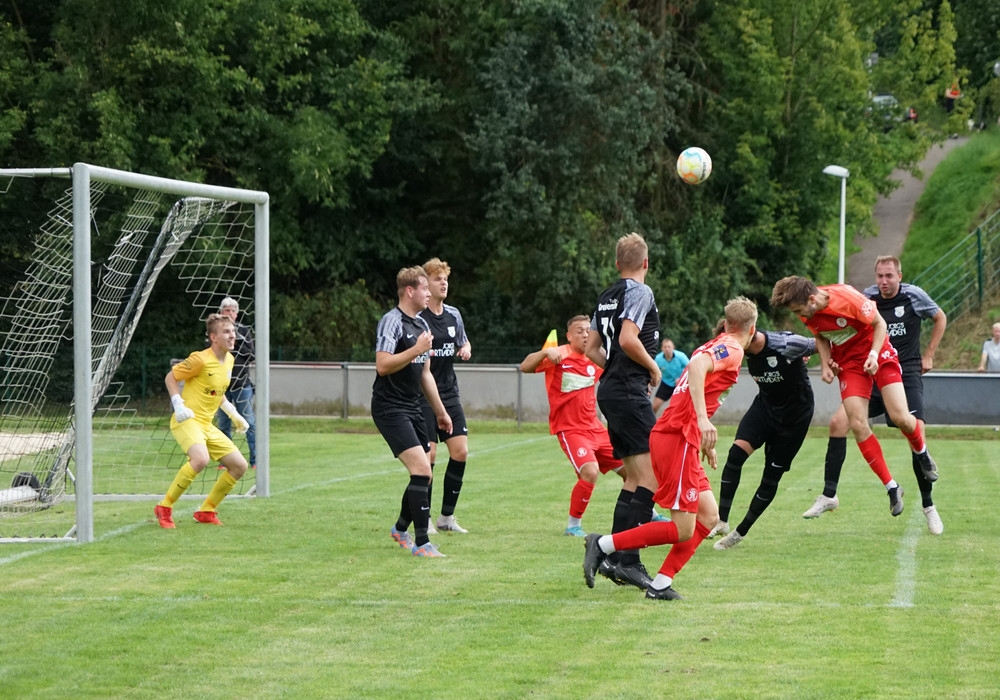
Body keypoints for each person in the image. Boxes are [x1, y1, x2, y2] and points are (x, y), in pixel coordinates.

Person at [582, 297, 758, 600]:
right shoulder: (731, 347)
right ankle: (603, 545)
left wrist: (701, 433)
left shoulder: (716, 343)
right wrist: (701, 420)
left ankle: (660, 584)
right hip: (677, 437)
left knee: (709, 516)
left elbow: (694, 384)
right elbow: (697, 367)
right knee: (682, 529)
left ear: (728, 323)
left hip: (682, 436)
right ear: (752, 329)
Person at [770, 276, 937, 519]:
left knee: (900, 417)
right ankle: (892, 487)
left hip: (878, 352)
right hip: (849, 364)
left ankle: (922, 453)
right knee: (857, 424)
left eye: (797, 310)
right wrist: (826, 363)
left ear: (812, 299)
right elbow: (820, 336)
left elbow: (880, 324)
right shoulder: (807, 311)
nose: (798, 316)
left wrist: (873, 354)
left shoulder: (848, 299)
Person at [803, 256, 947, 535]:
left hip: (904, 369)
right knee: (838, 423)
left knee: (912, 428)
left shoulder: (913, 296)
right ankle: (829, 494)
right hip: (868, 367)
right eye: (880, 276)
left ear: (899, 276)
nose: (883, 281)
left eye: (889, 276)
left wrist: (929, 354)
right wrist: (831, 361)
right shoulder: (865, 297)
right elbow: (835, 332)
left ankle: (929, 506)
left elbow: (940, 316)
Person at [585, 232, 662, 590]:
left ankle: (613, 557)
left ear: (618, 264)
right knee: (652, 477)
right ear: (645, 263)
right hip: (629, 391)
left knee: (633, 477)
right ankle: (629, 560)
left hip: (610, 391)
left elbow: (591, 349)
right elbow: (628, 339)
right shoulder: (640, 292)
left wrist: (614, 369)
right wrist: (653, 368)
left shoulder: (606, 295)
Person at [710, 328, 816, 550]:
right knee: (735, 455)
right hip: (765, 408)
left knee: (770, 477)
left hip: (795, 418)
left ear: (748, 332)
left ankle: (739, 533)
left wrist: (834, 364)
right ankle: (722, 521)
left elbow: (821, 343)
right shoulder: (740, 350)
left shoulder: (786, 344)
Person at [520, 315, 625, 537]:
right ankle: (573, 526)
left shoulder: (595, 357)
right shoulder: (558, 355)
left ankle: (649, 513)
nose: (585, 334)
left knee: (634, 471)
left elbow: (618, 373)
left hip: (596, 428)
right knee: (590, 471)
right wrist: (544, 353)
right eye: (580, 331)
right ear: (569, 336)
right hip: (570, 429)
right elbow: (525, 366)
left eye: (588, 330)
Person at [374, 266, 452, 558]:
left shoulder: (421, 324)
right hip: (390, 407)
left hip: (413, 406)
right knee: (421, 470)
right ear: (410, 291)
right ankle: (422, 543)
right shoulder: (391, 322)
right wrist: (415, 349)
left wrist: (441, 412)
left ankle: (399, 529)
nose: (429, 293)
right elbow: (383, 365)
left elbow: (425, 374)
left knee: (425, 472)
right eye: (424, 288)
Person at [154, 313, 250, 528]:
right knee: (200, 459)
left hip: (206, 425)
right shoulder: (200, 359)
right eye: (226, 332)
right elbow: (171, 377)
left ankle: (207, 511)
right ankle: (164, 507)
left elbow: (217, 392)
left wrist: (234, 414)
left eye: (233, 331)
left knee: (239, 466)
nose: (232, 335)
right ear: (213, 337)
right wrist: (179, 405)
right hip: (187, 420)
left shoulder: (230, 360)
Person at [418, 257, 472, 534]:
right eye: (437, 279)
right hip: (423, 395)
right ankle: (424, 519)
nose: (443, 283)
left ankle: (446, 517)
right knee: (428, 456)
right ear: (425, 283)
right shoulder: (419, 318)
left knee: (460, 451)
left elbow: (463, 340)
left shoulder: (453, 314)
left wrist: (466, 348)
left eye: (445, 279)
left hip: (449, 392)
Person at [215, 297, 256, 469]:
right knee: (223, 425)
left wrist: (236, 342)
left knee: (249, 423)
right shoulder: (215, 331)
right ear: (221, 312)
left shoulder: (244, 331)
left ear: (237, 314)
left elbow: (252, 355)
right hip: (221, 387)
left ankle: (255, 460)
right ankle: (226, 461)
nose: (230, 313)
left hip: (242, 385)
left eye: (233, 310)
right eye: (226, 310)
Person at [651, 338, 689, 414]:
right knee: (654, 406)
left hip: (681, 384)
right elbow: (652, 370)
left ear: (673, 347)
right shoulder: (658, 359)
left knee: (681, 408)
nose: (667, 349)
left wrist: (681, 378)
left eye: (669, 347)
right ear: (662, 348)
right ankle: (650, 421)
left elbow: (691, 368)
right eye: (665, 347)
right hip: (666, 383)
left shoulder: (681, 356)